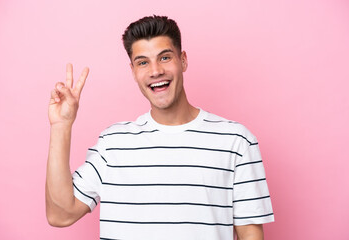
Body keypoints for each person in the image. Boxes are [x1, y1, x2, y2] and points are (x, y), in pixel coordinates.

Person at [46, 15, 274, 240]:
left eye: (164, 58)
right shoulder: (112, 144)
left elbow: (250, 234)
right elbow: (60, 215)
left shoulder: (236, 141)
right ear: (133, 71)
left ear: (183, 60)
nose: (155, 71)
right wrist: (61, 125)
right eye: (143, 62)